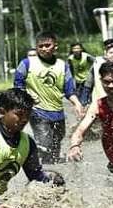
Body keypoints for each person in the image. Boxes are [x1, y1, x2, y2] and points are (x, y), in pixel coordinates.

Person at [14, 31, 84, 164]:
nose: (44, 49)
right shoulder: (26, 64)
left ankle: (55, 174)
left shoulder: (63, 65)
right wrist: (27, 97)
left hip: (58, 112)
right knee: (44, 145)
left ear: (55, 46)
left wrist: (77, 104)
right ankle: (43, 177)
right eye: (41, 46)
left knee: (56, 145)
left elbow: (69, 90)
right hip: (37, 111)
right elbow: (17, 86)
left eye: (47, 45)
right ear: (36, 47)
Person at [80, 41, 113, 106]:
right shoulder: (97, 63)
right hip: (99, 98)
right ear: (106, 53)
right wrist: (84, 100)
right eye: (111, 52)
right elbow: (89, 82)